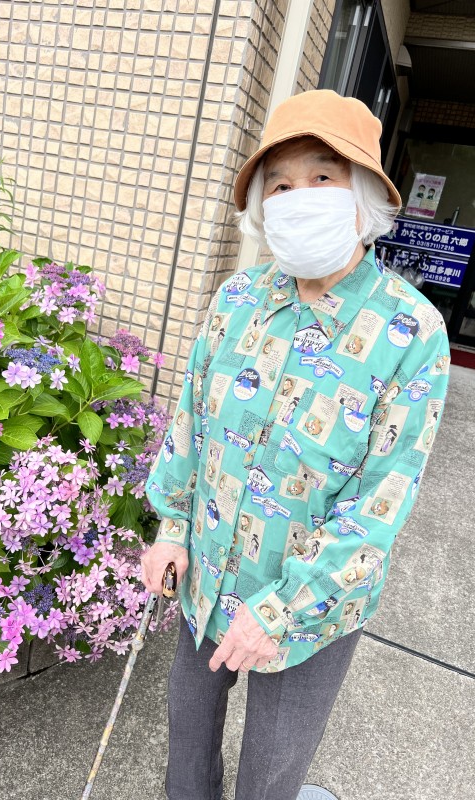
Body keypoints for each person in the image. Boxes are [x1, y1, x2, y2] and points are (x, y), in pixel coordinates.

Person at [141, 89, 450, 800]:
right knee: (187, 745)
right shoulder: (237, 300)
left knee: (270, 775)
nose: (298, 196)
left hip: (313, 609)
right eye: (278, 185)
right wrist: (171, 528)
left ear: (362, 198)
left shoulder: (412, 332)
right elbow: (192, 424)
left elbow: (379, 504)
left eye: (322, 176)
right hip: (209, 572)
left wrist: (280, 611)